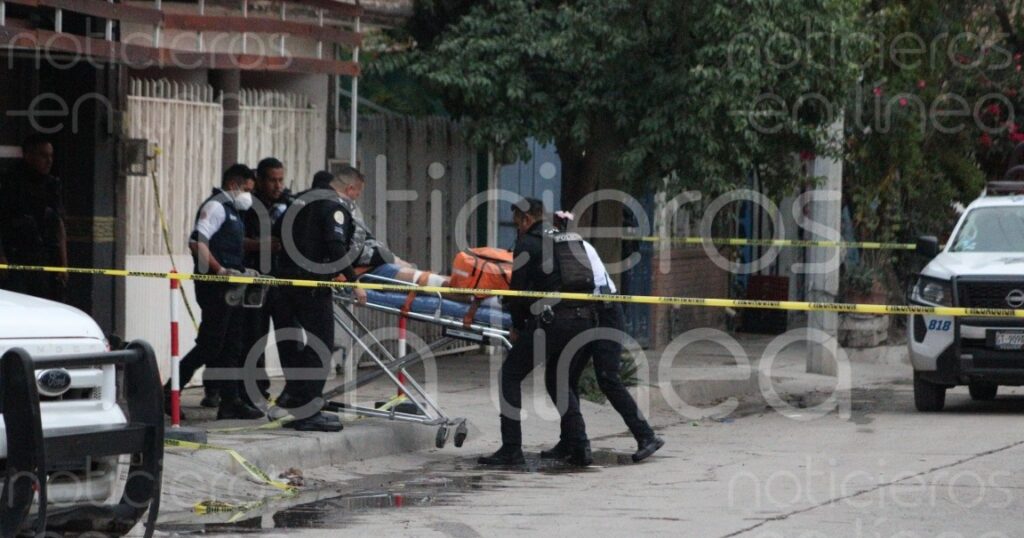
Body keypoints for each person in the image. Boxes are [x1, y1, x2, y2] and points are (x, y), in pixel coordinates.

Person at [478, 198, 598, 467]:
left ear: (525, 219)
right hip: (584, 319)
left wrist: (518, 327)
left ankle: (511, 449)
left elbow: (518, 293)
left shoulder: (527, 244)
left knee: (509, 375)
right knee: (559, 380)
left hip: (553, 321)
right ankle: (579, 446)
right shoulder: (566, 237)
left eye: (516, 222)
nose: (516, 228)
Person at [545, 211, 665, 463]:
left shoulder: (566, 251)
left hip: (605, 313)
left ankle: (646, 436)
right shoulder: (576, 246)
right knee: (563, 376)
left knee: (607, 378)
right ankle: (571, 441)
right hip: (592, 314)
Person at [271, 166, 366, 432]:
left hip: (285, 281)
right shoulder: (335, 206)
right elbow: (335, 245)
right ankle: (306, 412)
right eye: (356, 194)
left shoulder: (298, 200)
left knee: (297, 346)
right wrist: (354, 281)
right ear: (349, 189)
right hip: (311, 285)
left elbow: (278, 232)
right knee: (320, 347)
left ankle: (294, 397)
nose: (354, 199)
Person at [171, 164, 264, 421]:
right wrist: (219, 269)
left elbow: (229, 242)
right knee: (211, 344)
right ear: (233, 185)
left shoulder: (233, 211)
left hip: (233, 287)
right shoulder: (216, 206)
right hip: (215, 287)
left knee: (232, 344)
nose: (249, 195)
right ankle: (168, 394)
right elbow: (196, 242)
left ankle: (230, 401)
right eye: (247, 189)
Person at [235, 157, 295, 408]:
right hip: (254, 281)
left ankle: (294, 390)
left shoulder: (289, 204)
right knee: (253, 337)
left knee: (288, 337)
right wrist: (262, 245)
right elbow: (235, 240)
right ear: (259, 179)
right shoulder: (247, 205)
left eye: (281, 180)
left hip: (282, 281)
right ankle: (253, 391)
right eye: (272, 180)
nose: (277, 185)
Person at [0, 134, 68, 302]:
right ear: (28, 155)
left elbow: (59, 225)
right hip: (16, 256)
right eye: (43, 155)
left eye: (51, 156)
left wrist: (63, 262)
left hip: (45, 256)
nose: (49, 161)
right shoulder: (10, 183)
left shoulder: (52, 185)